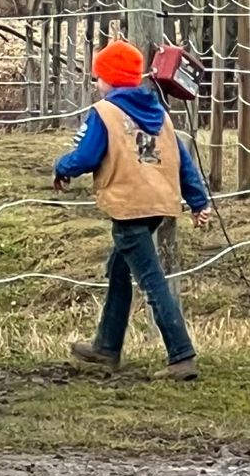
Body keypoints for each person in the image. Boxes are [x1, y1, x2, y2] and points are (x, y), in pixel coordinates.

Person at [52, 39, 211, 381]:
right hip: (157, 203)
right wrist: (198, 202)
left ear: (109, 80)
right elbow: (183, 161)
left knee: (152, 281)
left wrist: (62, 167)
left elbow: (85, 156)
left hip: (129, 205)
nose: (96, 83)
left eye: (98, 77)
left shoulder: (105, 113)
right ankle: (106, 348)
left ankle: (181, 355)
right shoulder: (161, 115)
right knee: (119, 269)